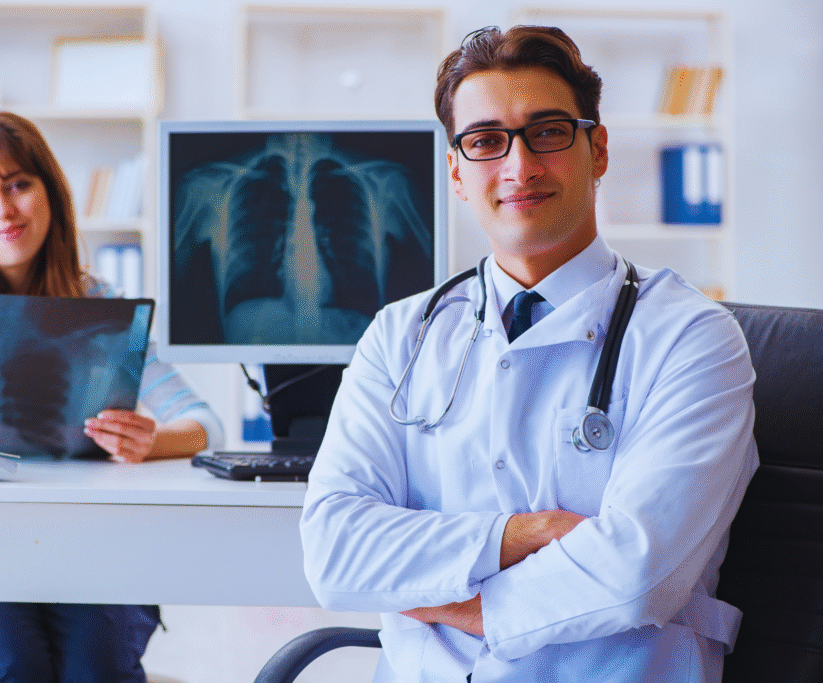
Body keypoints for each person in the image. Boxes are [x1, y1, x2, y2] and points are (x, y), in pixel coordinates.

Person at [300, 26, 758, 683]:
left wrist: (450, 600)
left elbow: (635, 574)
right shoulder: (401, 334)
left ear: (597, 149)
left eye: (547, 131)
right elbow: (334, 553)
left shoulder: (692, 337)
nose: (519, 166)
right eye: (486, 141)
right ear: (457, 171)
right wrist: (525, 533)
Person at [0, 111, 225, 683]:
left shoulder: (99, 302)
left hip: (88, 545)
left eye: (17, 185)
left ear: (51, 192)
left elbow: (206, 426)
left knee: (94, 674)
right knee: (14, 668)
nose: (0, 210)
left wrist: (150, 442)